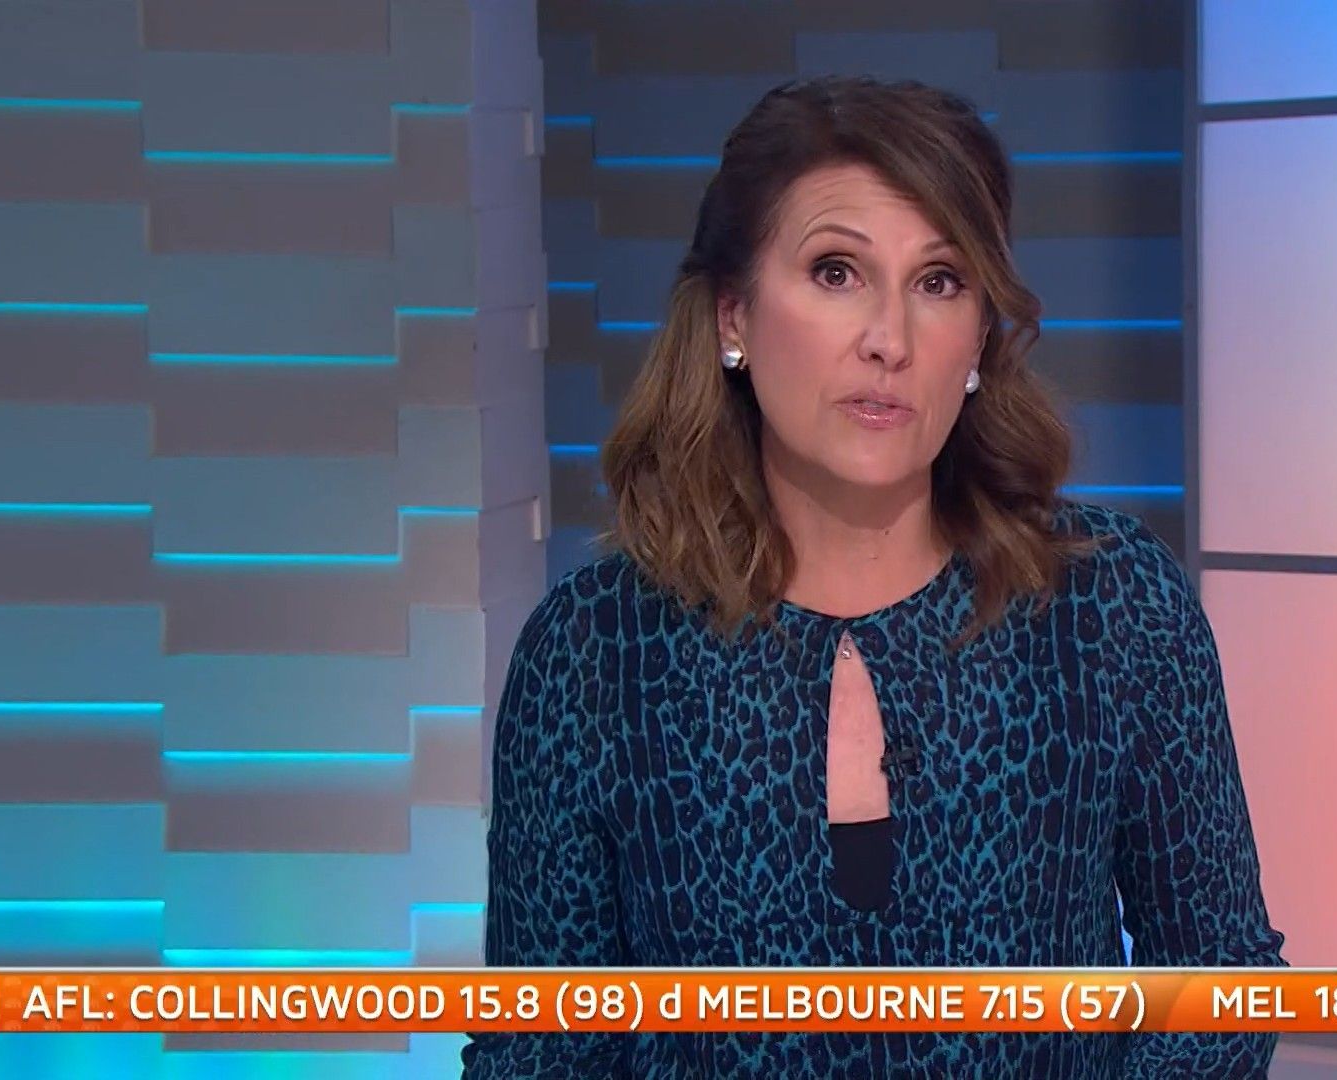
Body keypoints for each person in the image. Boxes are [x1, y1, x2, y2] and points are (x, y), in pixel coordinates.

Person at [462, 74, 1286, 1079]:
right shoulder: (593, 652)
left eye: (938, 282)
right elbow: (541, 1052)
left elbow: (1220, 992)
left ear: (978, 337)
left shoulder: (1111, 605)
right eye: (836, 271)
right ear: (732, 316)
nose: (889, 340)